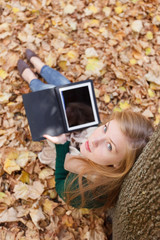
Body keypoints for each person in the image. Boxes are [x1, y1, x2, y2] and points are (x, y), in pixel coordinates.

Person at [17, 49, 155, 210]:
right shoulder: (99, 144)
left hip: (67, 150)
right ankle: (41, 67)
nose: (95, 140)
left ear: (118, 164)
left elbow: (60, 183)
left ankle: (31, 78)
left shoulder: (85, 190)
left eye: (109, 146)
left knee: (49, 98)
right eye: (105, 128)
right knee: (68, 90)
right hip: (82, 136)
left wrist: (61, 144)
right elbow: (99, 135)